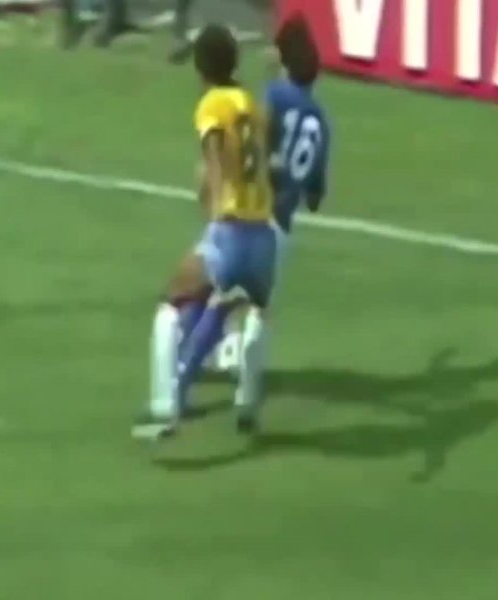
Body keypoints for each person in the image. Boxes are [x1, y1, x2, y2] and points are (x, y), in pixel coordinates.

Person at [132, 24, 277, 440]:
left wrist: (214, 200)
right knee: (243, 308)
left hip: (230, 230)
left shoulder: (212, 104)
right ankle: (247, 403)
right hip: (263, 234)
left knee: (172, 302)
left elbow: (214, 155)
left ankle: (165, 408)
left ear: (201, 68)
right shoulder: (251, 103)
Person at [210, 13, 331, 375]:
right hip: (282, 226)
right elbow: (315, 196)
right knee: (260, 303)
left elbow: (257, 139)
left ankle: (227, 351)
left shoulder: (275, 94)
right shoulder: (320, 120)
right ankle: (249, 376)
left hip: (254, 212)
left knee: (225, 287)